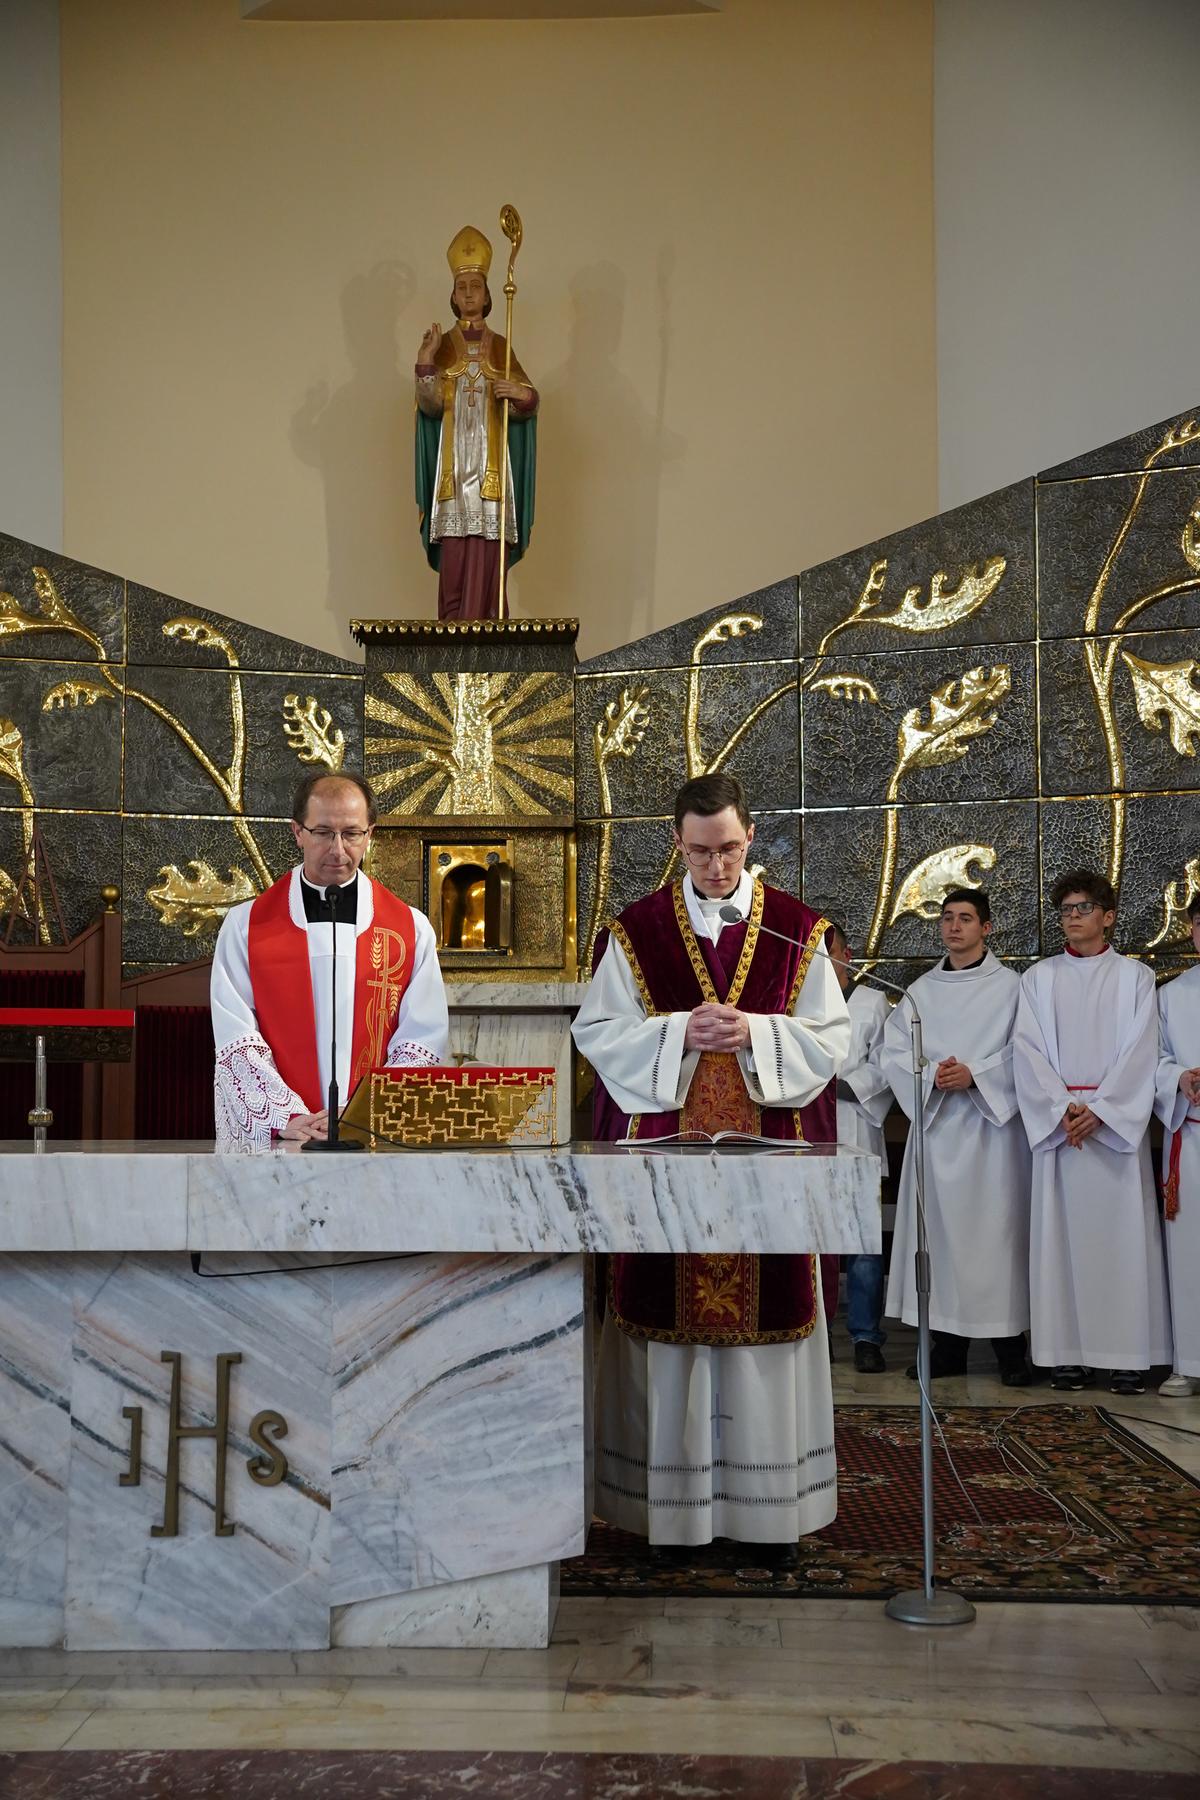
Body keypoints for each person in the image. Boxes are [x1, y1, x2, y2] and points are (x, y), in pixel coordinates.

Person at [572, 773, 850, 1568]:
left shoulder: (797, 930)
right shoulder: (637, 932)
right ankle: (671, 1520)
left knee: (767, 1335)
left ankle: (770, 1518)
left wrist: (758, 1034)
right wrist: (676, 1035)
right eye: (699, 851)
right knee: (667, 1336)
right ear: (677, 843)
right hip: (668, 1174)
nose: (717, 866)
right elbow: (597, 1031)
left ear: (750, 837)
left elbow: (832, 1038)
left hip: (768, 1175)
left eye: (728, 848)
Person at [211, 772, 448, 1152]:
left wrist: (365, 1111)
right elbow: (237, 1035)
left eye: (351, 833)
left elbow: (421, 1038)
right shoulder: (245, 926)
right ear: (298, 832)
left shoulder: (410, 930)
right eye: (323, 833)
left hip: (372, 1137)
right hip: (285, 1138)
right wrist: (287, 1115)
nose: (338, 849)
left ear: (369, 835)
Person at [1013, 869, 1171, 1394]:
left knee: (1122, 1246)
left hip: (1111, 1132)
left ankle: (1126, 1357)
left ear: (1108, 916)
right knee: (1061, 1248)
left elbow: (1141, 1052)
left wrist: (1102, 1111)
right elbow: (1027, 1051)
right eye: (1066, 909)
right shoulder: (1039, 979)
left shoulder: (1136, 978)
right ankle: (1068, 1356)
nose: (1073, 917)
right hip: (1062, 1129)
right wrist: (1062, 1108)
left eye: (1083, 908)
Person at [881, 889, 1033, 1385]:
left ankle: (1011, 1350)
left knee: (998, 1238)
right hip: (939, 1131)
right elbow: (893, 1052)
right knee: (941, 1241)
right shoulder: (920, 991)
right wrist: (931, 1076)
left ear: (986, 928)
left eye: (965, 918)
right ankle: (947, 1349)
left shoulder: (1012, 988)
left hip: (993, 1137)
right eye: (947, 917)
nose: (953, 926)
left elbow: (1026, 1051)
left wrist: (977, 1074)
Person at [414, 225, 538, 621]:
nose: (469, 294)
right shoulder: (442, 346)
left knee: (488, 546)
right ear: (453, 296)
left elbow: (527, 402)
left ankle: (489, 620)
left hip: (490, 466)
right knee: (455, 551)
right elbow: (430, 406)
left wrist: (518, 393)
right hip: (453, 467)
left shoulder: (500, 345)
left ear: (487, 296)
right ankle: (453, 627)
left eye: (476, 287)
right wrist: (426, 362)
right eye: (462, 287)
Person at [828, 920, 892, 1374]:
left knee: (863, 1243)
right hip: (808, 1134)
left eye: (827, 951)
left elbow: (887, 1062)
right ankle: (815, 1332)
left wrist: (842, 1087)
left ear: (847, 956)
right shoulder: (792, 1003)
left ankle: (866, 1335)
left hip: (857, 1125)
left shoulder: (874, 1002)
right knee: (810, 1241)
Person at [1155, 892, 1200, 1398]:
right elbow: (1156, 1060)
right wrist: (1180, 1077)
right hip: (1191, 1135)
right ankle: (1188, 1360)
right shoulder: (1172, 995)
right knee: (1189, 1253)